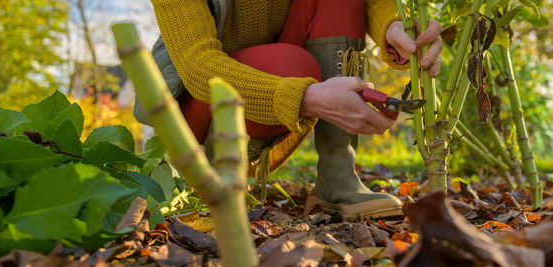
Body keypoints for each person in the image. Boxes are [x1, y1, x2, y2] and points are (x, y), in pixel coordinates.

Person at [147, 0, 443, 219]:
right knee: (291, 67)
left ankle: (337, 175)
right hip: (197, 109)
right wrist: (304, 97)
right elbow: (197, 66)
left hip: (278, 82)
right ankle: (210, 172)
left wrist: (393, 28)